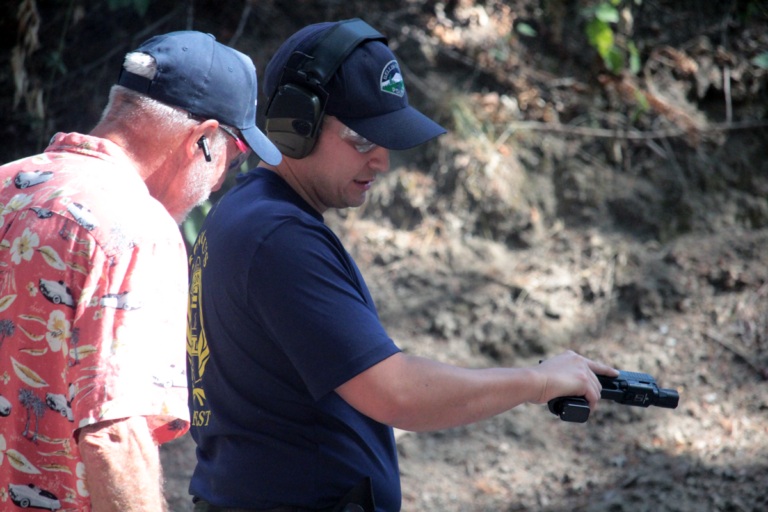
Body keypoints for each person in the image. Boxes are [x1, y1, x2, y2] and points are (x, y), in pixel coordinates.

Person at [186, 19, 617, 512]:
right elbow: (398, 393)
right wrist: (536, 383)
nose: (382, 162)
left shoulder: (251, 216)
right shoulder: (279, 236)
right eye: (362, 140)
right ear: (294, 124)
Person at [0, 31, 280, 512]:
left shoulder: (9, 183)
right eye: (233, 162)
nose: (217, 187)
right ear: (202, 142)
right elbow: (114, 436)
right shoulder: (136, 231)